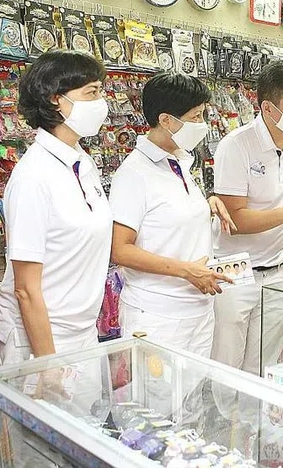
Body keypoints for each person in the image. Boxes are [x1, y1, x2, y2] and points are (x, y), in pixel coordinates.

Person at [0, 51, 113, 366]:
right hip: (40, 342)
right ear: (56, 100)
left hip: (81, 333)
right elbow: (26, 289)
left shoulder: (82, 162)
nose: (102, 102)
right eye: (92, 93)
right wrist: (48, 364)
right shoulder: (34, 176)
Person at [211, 60, 283, 374]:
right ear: (268, 108)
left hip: (277, 271)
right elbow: (234, 221)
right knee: (226, 364)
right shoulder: (236, 145)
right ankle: (220, 423)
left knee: (264, 364)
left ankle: (253, 423)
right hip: (233, 271)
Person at [110, 72, 235, 356]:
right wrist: (186, 271)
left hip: (198, 310)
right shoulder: (134, 173)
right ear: (166, 120)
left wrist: (207, 205)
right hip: (158, 315)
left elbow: (168, 217)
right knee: (157, 397)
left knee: (191, 398)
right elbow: (120, 250)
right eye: (195, 117)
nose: (202, 124)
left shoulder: (179, 161)